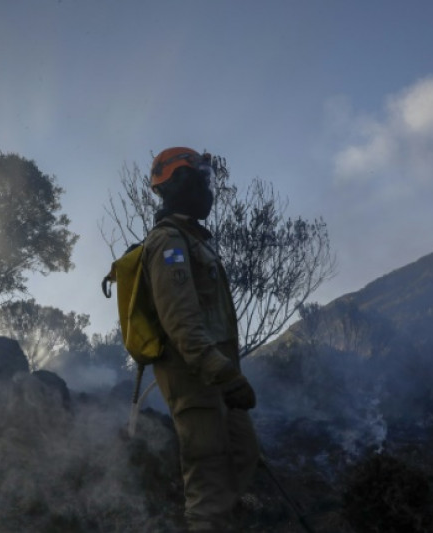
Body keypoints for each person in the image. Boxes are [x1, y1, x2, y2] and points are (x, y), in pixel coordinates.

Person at [142, 147, 260, 532]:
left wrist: (226, 377)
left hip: (216, 380)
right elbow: (182, 323)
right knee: (208, 484)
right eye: (200, 181)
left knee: (240, 457)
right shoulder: (169, 243)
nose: (208, 191)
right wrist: (224, 375)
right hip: (196, 382)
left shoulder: (194, 241)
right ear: (177, 182)